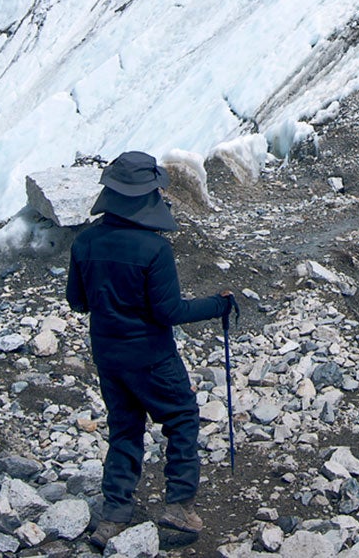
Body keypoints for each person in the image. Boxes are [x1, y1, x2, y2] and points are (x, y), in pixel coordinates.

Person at [67, 152, 234, 547]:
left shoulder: (85, 241)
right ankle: (179, 505)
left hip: (108, 356)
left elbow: (77, 301)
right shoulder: (154, 249)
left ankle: (114, 515)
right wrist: (218, 304)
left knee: (124, 428)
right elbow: (169, 312)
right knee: (181, 417)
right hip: (151, 356)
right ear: (146, 196)